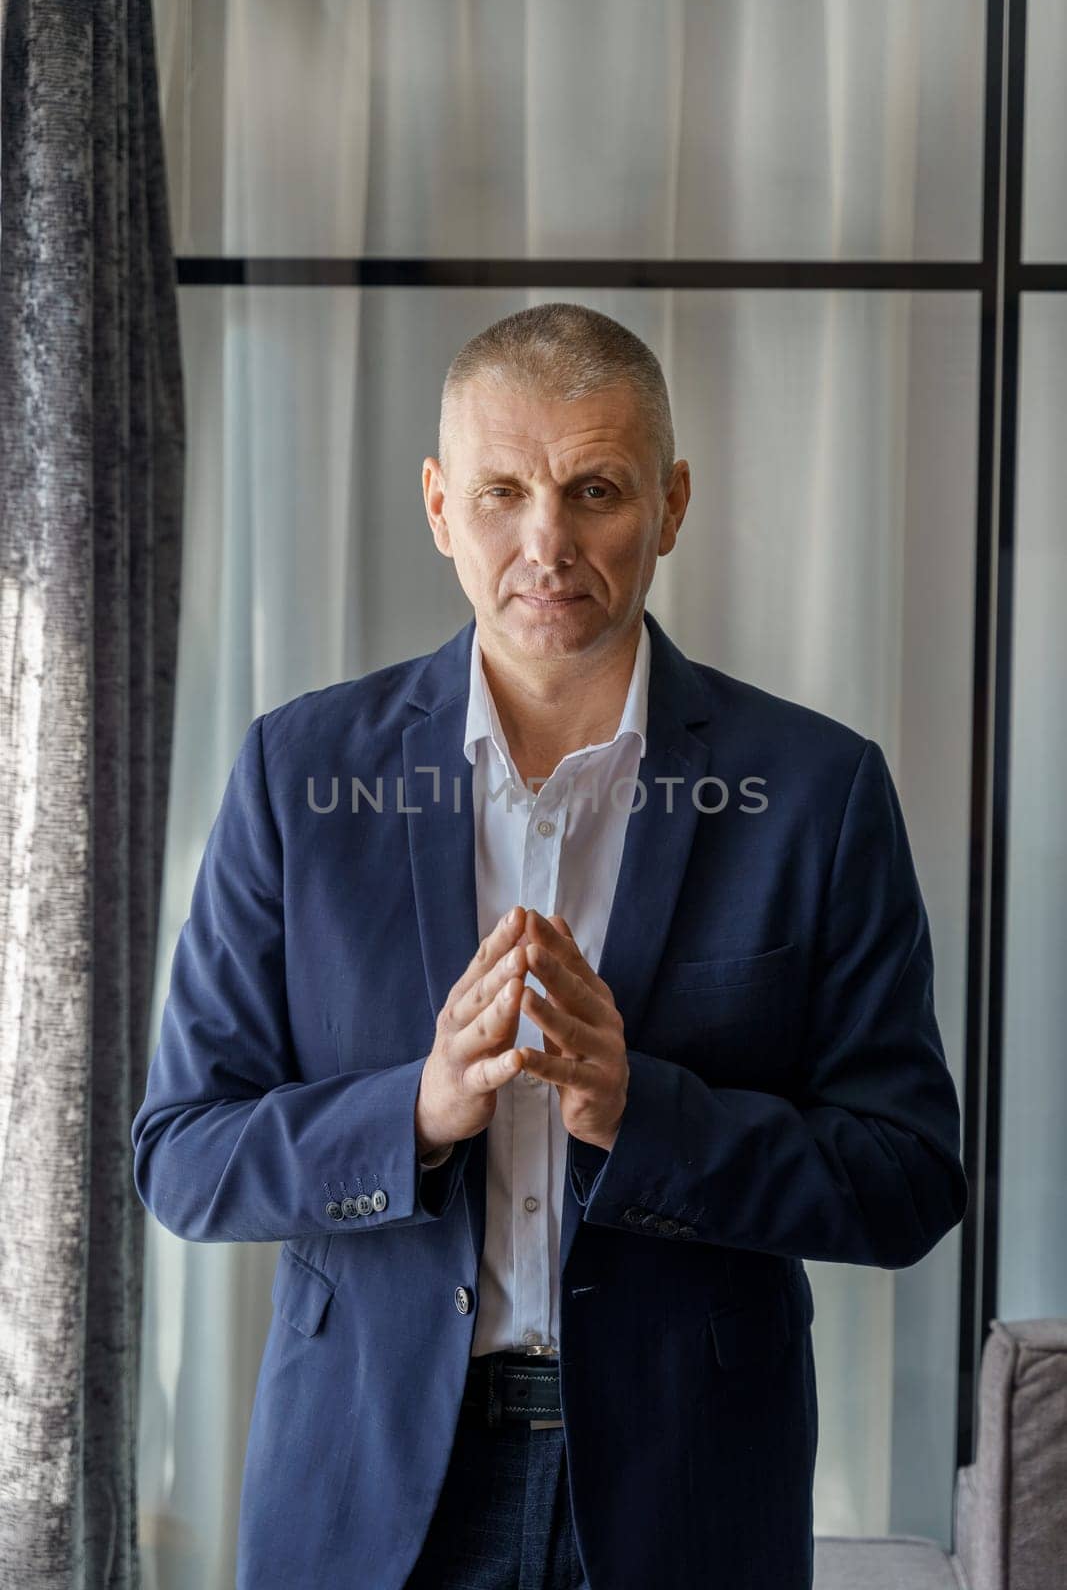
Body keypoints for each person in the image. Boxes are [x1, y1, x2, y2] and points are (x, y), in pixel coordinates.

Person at [130, 302, 969, 1590]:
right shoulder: (297, 773)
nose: (547, 543)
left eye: (596, 490)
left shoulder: (816, 790)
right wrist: (412, 1110)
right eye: (502, 491)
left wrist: (643, 1113)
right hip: (365, 1486)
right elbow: (182, 1156)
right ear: (436, 504)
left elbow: (910, 1177)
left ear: (673, 503)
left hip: (687, 1492)